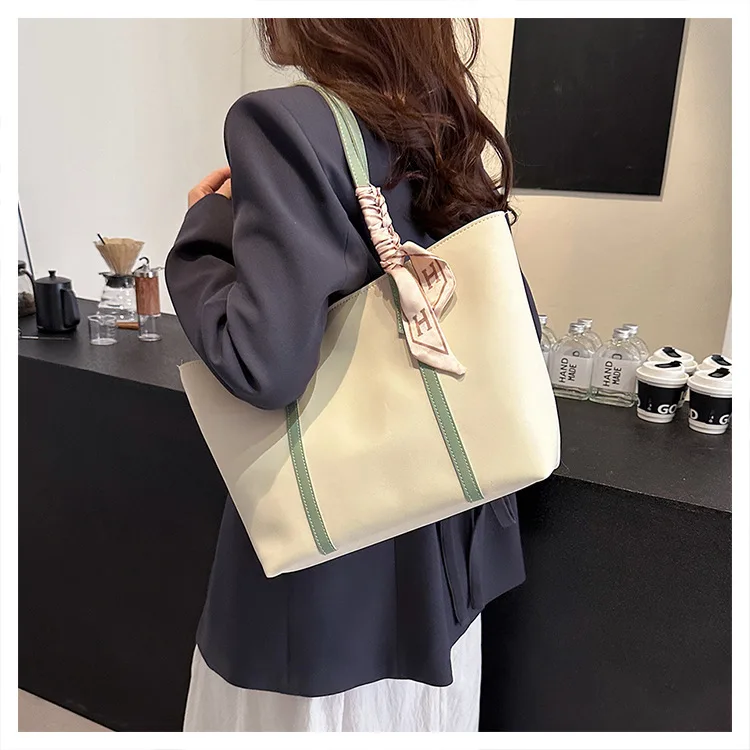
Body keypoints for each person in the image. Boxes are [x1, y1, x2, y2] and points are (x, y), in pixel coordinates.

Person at [166, 18, 542, 732]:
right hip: (449, 563)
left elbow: (263, 362)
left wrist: (204, 232)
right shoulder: (442, 128)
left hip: (329, 583)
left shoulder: (283, 122)